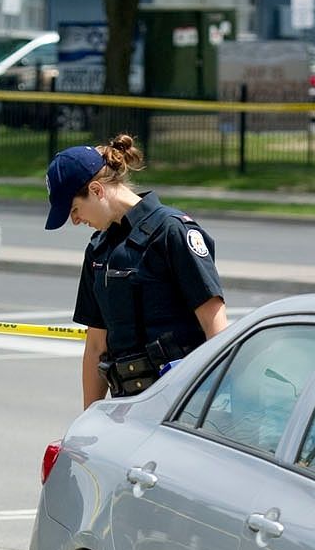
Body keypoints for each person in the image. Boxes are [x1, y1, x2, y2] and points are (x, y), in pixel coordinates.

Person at [46, 134, 229, 408]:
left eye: (74, 209)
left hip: (182, 407)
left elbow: (215, 325)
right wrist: (88, 421)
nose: (75, 221)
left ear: (97, 190)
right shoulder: (98, 250)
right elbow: (96, 346)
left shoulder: (172, 231)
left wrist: (214, 407)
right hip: (127, 409)